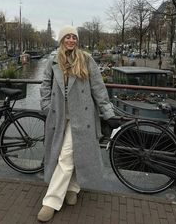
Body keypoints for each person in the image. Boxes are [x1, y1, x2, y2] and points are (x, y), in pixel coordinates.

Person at [37, 25, 115, 222]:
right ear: (62, 39)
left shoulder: (86, 59)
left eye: (74, 37)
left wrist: (107, 111)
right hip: (59, 116)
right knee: (70, 153)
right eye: (67, 37)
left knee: (65, 155)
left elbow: (98, 87)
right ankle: (72, 188)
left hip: (82, 117)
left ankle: (51, 201)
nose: (71, 40)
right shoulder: (53, 61)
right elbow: (45, 84)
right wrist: (46, 106)